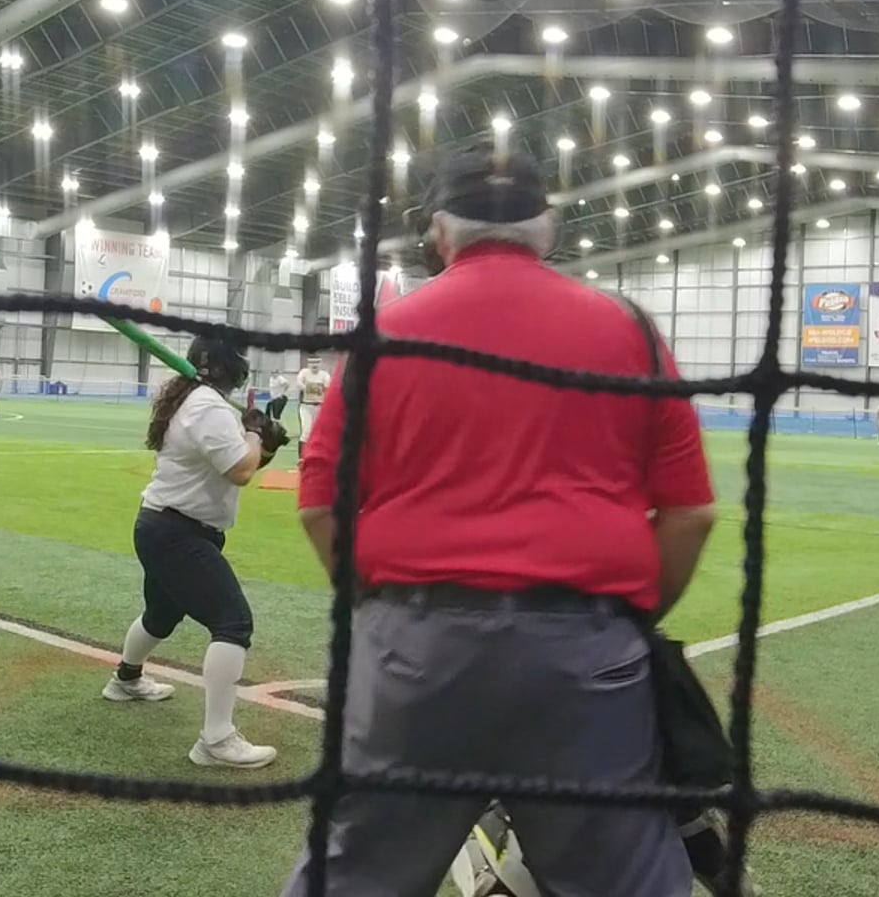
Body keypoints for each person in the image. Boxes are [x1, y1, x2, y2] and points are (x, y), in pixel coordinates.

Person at [283, 146, 718, 897]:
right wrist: (620, 620)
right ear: (547, 226)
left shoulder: (383, 335)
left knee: (352, 879)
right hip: (587, 655)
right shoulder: (629, 329)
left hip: (414, 652)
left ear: (438, 232)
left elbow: (322, 506)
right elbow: (692, 514)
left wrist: (385, 612)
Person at [101, 336, 290, 769]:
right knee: (233, 621)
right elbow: (240, 470)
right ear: (226, 366)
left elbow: (235, 463)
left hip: (164, 526)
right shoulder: (207, 406)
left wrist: (265, 443)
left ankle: (126, 679)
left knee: (161, 615)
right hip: (177, 533)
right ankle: (216, 740)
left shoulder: (201, 402)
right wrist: (254, 434)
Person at [295, 355, 330, 445]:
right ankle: (302, 453)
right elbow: (299, 384)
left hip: (320, 407)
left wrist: (310, 387)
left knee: (319, 432)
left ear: (320, 363)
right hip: (306, 406)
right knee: (306, 431)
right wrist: (315, 388)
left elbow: (327, 387)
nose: (314, 365)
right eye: (312, 362)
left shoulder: (324, 375)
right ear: (308, 364)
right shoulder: (304, 372)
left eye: (317, 362)